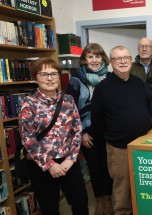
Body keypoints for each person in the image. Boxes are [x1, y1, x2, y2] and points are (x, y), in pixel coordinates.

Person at [19, 58, 88, 215]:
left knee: (81, 202)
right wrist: (50, 165)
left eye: (53, 74)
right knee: (50, 208)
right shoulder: (28, 103)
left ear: (59, 77)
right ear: (35, 78)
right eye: (44, 74)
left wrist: (70, 159)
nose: (49, 78)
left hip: (68, 162)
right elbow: (28, 140)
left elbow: (77, 130)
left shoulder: (68, 100)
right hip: (42, 166)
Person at [91, 45, 151, 215]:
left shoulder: (138, 83)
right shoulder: (103, 88)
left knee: (143, 188)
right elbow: (97, 120)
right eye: (118, 58)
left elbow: (145, 108)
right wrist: (113, 135)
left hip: (143, 146)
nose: (123, 61)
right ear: (111, 62)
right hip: (119, 148)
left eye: (126, 57)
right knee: (122, 192)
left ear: (131, 60)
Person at [66, 43, 113, 215]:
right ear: (85, 60)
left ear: (103, 58)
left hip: (108, 131)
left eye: (98, 56)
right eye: (90, 56)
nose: (94, 60)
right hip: (87, 133)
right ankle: (100, 201)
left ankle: (109, 201)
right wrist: (82, 133)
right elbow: (69, 110)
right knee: (94, 168)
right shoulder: (76, 80)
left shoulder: (109, 77)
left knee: (108, 168)